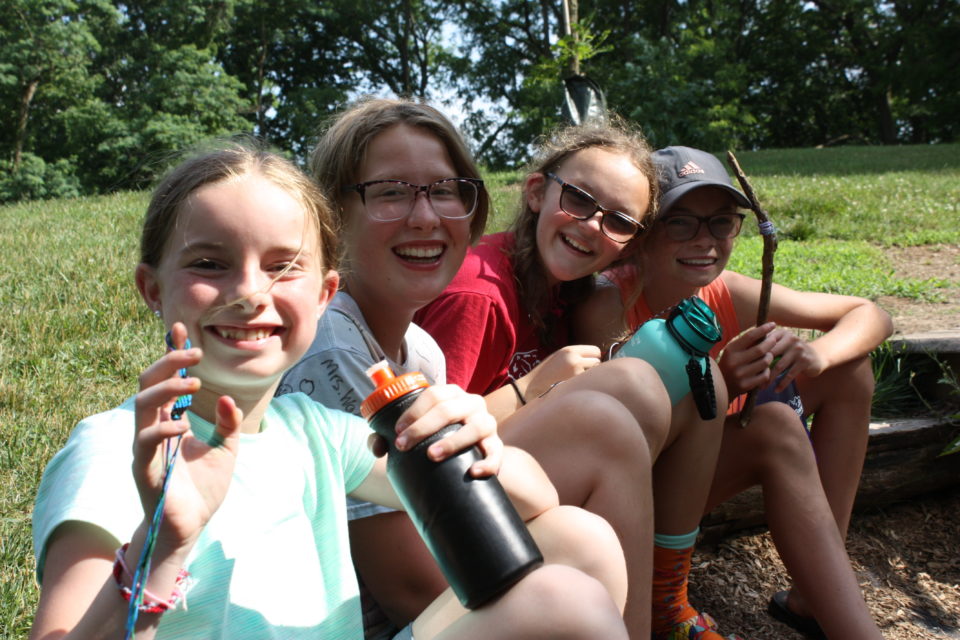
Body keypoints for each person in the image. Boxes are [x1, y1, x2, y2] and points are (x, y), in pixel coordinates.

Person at [29, 143, 632, 639]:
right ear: (153, 289)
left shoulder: (309, 429)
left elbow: (538, 498)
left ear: (324, 294)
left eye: (284, 266)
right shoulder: (115, 453)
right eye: (209, 264)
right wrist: (160, 548)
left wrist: (475, 442)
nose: (249, 290)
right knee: (567, 600)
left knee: (580, 541)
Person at [279, 98, 651, 638]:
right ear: (333, 214)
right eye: (390, 192)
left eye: (445, 191)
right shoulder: (331, 351)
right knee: (566, 591)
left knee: (581, 538)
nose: (425, 216)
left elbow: (527, 495)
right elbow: (406, 590)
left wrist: (488, 450)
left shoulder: (420, 350)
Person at [415, 120, 743, 640]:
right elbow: (427, 442)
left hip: (516, 487)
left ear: (632, 243)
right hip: (444, 518)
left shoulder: (562, 288)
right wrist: (535, 386)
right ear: (536, 192)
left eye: (618, 220)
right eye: (581, 199)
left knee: (697, 375)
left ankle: (666, 599)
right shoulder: (477, 296)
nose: (593, 226)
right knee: (626, 391)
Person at [575, 145, 892, 639]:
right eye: (680, 223)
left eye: (722, 222)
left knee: (849, 370)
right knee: (776, 426)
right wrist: (720, 383)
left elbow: (870, 314)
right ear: (641, 233)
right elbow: (621, 439)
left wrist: (816, 357)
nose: (705, 241)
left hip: (700, 469)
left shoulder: (723, 291)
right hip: (637, 495)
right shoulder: (608, 305)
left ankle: (814, 597)